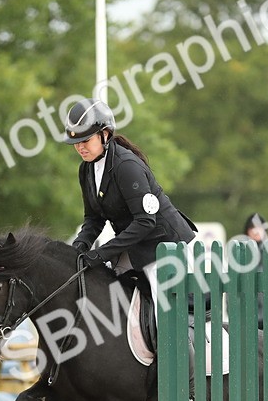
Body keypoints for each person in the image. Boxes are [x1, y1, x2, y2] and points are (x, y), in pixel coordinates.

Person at [64, 97, 197, 276]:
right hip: (135, 247)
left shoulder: (126, 166)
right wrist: (77, 250)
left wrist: (101, 253)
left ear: (105, 134)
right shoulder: (86, 169)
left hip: (166, 247)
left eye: (85, 141)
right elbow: (93, 219)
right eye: (76, 143)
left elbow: (145, 221)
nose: (80, 147)